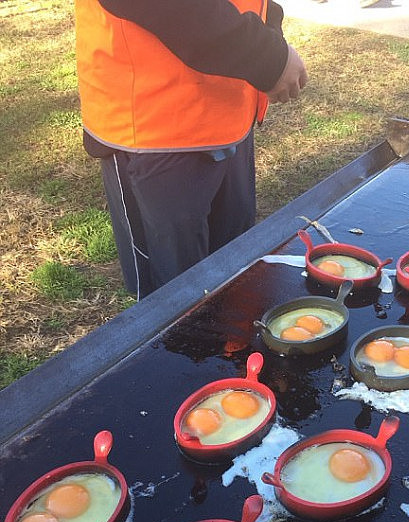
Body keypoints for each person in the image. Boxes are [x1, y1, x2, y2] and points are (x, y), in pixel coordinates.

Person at [74, 0, 308, 299]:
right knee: (174, 309)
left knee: (235, 288)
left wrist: (268, 29)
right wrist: (265, 55)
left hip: (229, 115)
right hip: (155, 132)